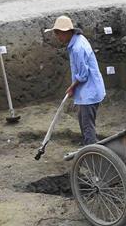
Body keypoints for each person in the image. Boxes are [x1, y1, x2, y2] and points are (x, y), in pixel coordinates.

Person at [45, 15, 106, 145]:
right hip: (89, 90)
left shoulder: (78, 48)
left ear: (67, 32)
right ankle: (91, 145)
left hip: (90, 92)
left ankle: (92, 153)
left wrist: (72, 86)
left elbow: (83, 75)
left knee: (87, 126)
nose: (57, 37)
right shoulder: (78, 40)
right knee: (83, 120)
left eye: (58, 34)